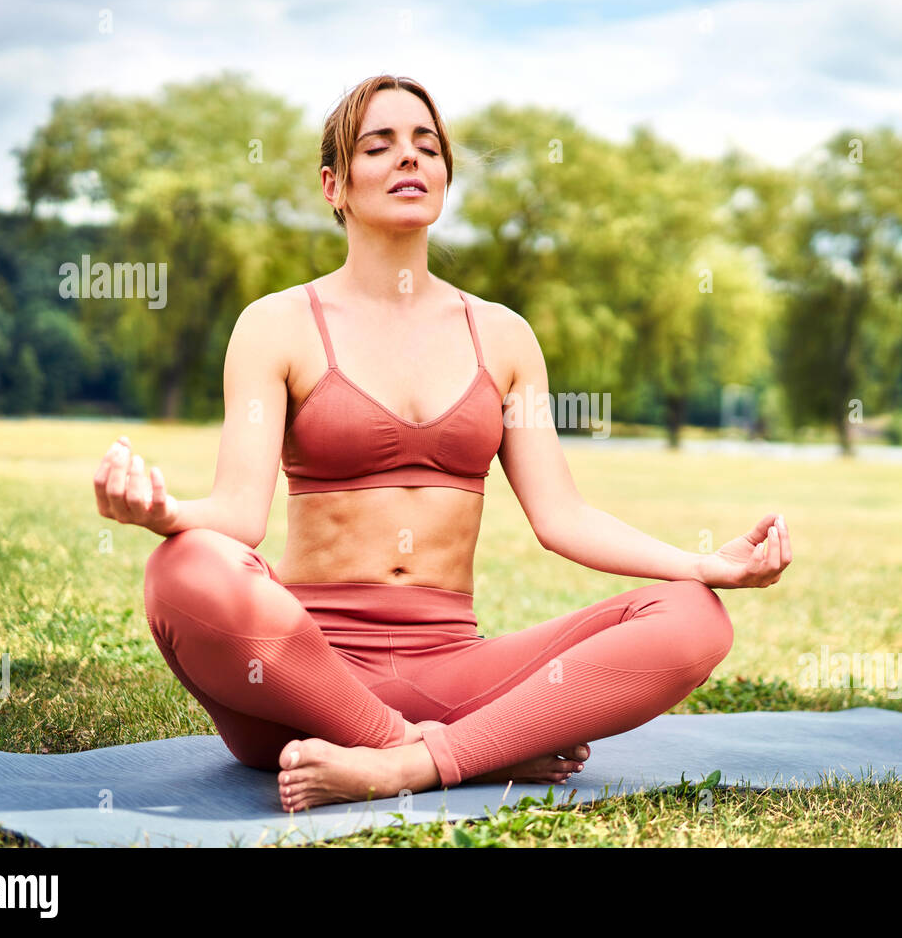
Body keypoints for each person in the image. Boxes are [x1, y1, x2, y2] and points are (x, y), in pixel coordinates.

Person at [93, 74, 791, 811]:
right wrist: (162, 512)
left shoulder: (503, 335)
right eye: (380, 145)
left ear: (445, 179)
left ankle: (408, 765)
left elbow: (562, 518)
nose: (409, 159)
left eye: (427, 146)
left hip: (455, 673)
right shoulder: (277, 324)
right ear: (335, 184)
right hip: (300, 686)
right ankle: (450, 752)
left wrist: (703, 563)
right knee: (185, 567)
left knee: (692, 617)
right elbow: (238, 516)